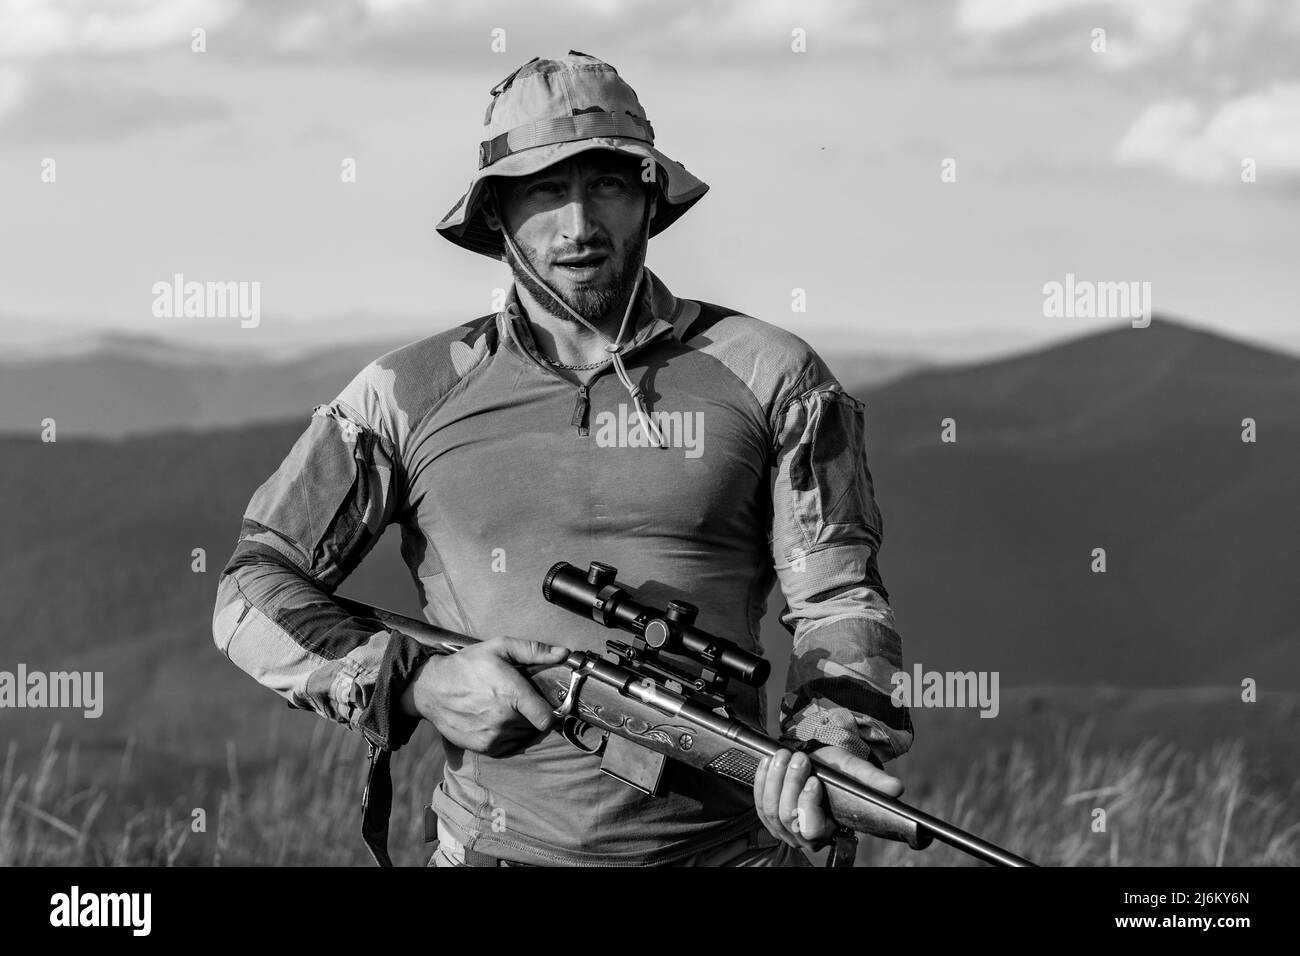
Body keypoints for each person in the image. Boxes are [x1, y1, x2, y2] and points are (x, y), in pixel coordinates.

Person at [212, 51, 913, 867]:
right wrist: (409, 684)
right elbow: (251, 588)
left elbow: (838, 595)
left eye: (607, 185)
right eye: (546, 191)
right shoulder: (404, 393)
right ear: (499, 215)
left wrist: (826, 744)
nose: (580, 226)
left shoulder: (774, 375)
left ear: (650, 199)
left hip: (736, 853)